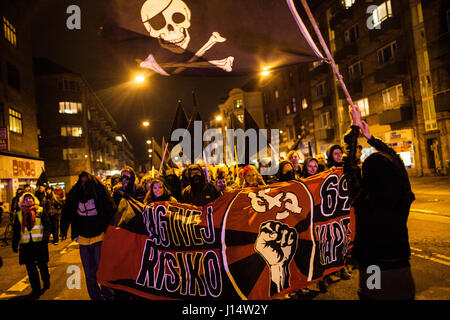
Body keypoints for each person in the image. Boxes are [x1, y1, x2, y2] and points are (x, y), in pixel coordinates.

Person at [345, 104, 415, 300]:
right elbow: (398, 162)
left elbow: (349, 165)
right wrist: (371, 139)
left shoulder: (361, 199)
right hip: (401, 267)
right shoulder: (402, 197)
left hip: (372, 268)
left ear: (366, 175)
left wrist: (354, 128)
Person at [60, 171, 115, 300]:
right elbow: (67, 211)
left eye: (86, 181)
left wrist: (111, 230)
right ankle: (95, 296)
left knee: (102, 268)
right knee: (89, 272)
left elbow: (110, 210)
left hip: (99, 237)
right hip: (83, 238)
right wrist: (63, 229)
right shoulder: (75, 193)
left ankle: (107, 294)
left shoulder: (100, 191)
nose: (84, 184)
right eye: (82, 181)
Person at [12, 192, 50, 299]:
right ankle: (36, 289)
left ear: (34, 200)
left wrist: (45, 238)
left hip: (39, 243)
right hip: (26, 246)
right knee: (31, 269)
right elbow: (16, 231)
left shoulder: (40, 211)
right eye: (26, 199)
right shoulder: (19, 214)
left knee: (42, 266)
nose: (28, 200)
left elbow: (47, 225)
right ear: (22, 202)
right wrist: (14, 245)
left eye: (30, 198)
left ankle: (46, 280)